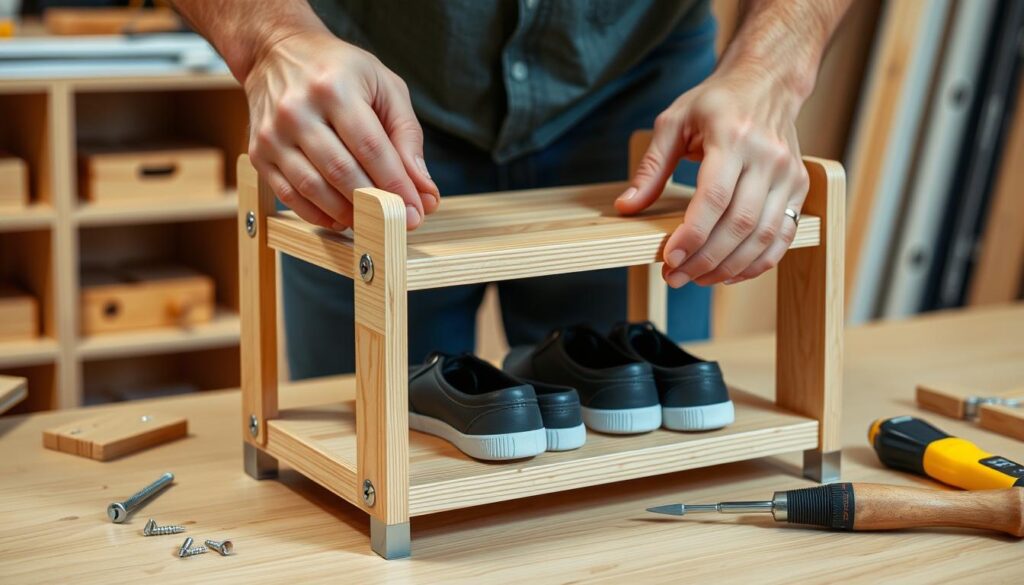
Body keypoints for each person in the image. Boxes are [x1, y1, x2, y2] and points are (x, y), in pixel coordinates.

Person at [172, 0, 851, 378]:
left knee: (640, 419)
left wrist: (775, 62)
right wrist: (268, 34)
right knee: (361, 442)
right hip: (360, 102)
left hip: (641, 90)